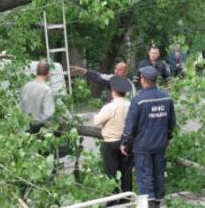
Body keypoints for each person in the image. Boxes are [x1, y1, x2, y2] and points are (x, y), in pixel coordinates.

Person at [120, 66, 176, 208]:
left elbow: (130, 125)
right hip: (160, 145)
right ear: (155, 80)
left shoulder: (138, 100)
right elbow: (171, 123)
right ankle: (159, 204)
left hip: (143, 146)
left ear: (143, 80)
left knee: (145, 178)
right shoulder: (167, 97)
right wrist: (167, 138)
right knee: (158, 176)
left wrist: (124, 142)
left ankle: (150, 205)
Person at [94, 76, 133, 197]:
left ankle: (112, 200)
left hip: (111, 142)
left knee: (111, 174)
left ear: (113, 91)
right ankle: (128, 198)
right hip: (127, 142)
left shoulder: (110, 106)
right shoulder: (131, 105)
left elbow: (96, 121)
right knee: (126, 173)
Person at [21, 61, 55, 133]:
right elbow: (48, 115)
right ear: (48, 72)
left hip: (25, 128)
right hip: (40, 131)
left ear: (36, 72)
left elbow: (21, 108)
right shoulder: (46, 90)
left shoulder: (26, 86)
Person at [70, 62, 136, 100]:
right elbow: (97, 77)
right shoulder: (111, 78)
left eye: (119, 70)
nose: (116, 71)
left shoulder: (130, 86)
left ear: (125, 72)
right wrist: (81, 70)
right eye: (116, 69)